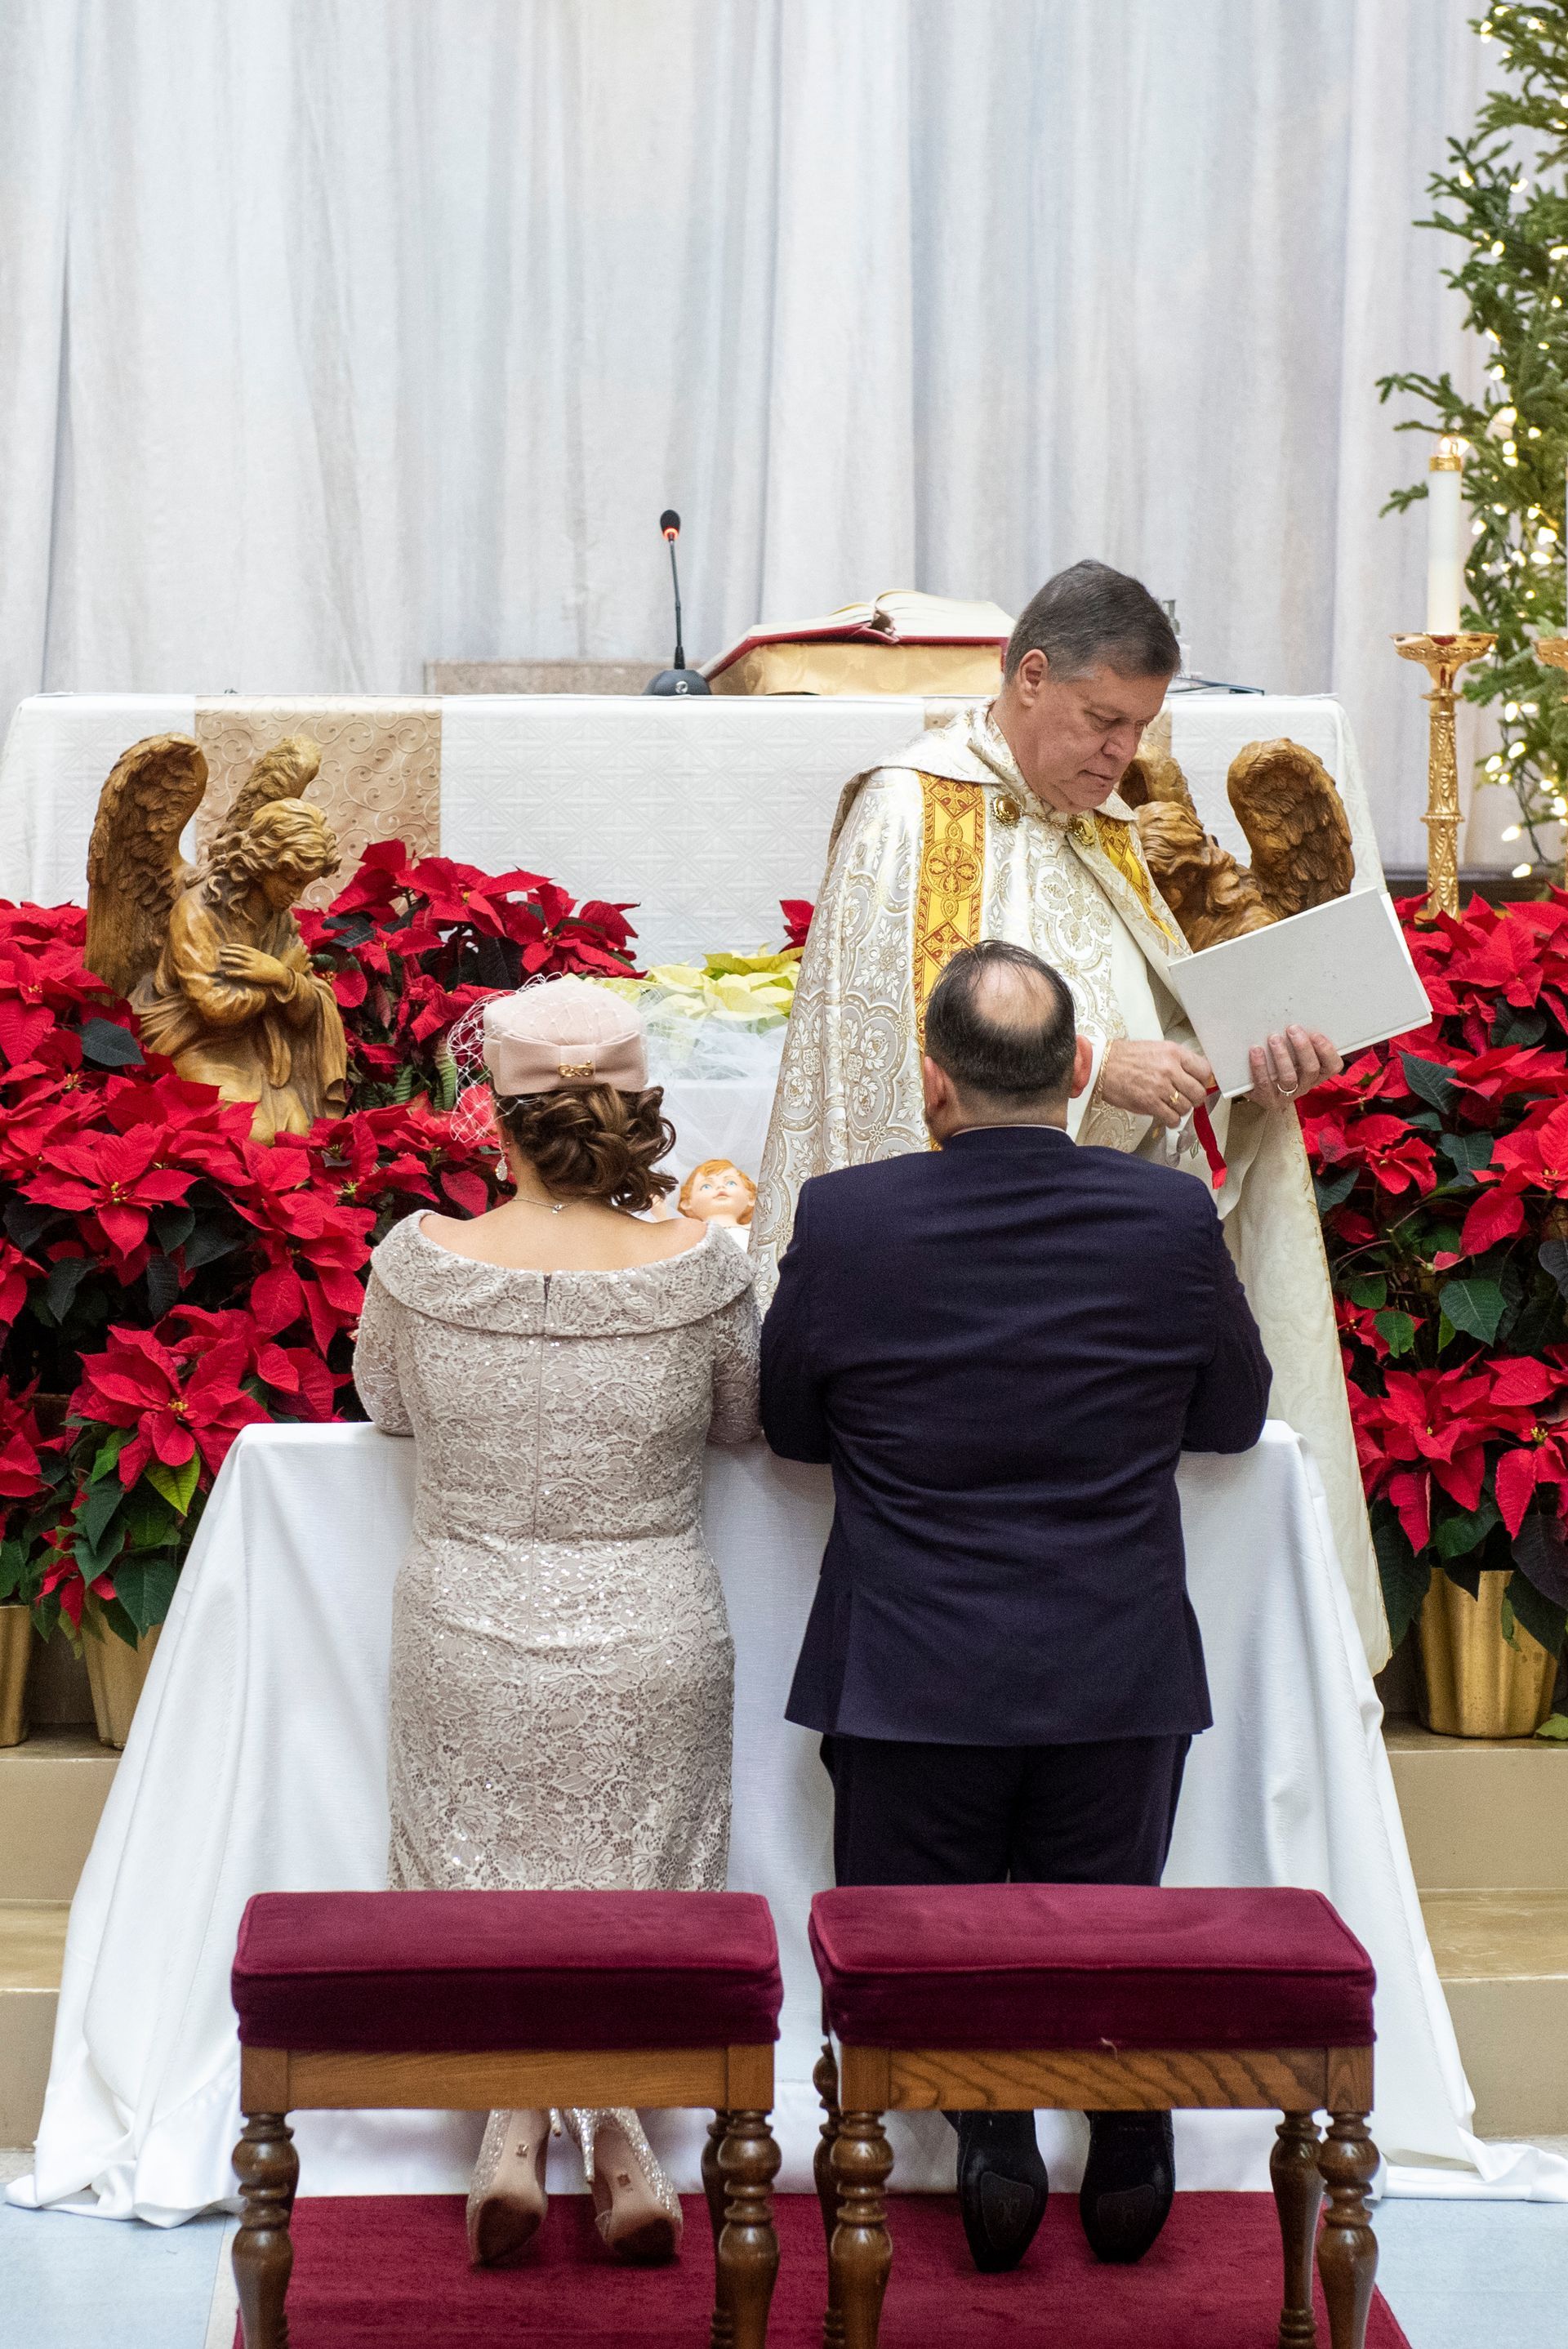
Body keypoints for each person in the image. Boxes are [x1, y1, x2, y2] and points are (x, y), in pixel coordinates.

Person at [748, 559, 1388, 1672]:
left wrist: (1246, 1069)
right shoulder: (916, 811)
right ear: (1030, 676)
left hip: (1101, 1305)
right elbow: (888, 1049)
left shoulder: (1101, 827)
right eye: (1102, 721)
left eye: (1139, 727)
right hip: (961, 1313)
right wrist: (1097, 1069)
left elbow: (1172, 1034)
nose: (1121, 754)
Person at [760, 940, 1270, 2275]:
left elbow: (790, 1427)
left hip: (912, 1664)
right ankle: (1131, 2131)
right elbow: (1230, 1414)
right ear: (1070, 1080)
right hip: (1114, 1656)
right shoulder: (1163, 1219)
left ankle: (991, 2140)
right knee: (1104, 1918)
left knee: (923, 1942)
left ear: (934, 1084)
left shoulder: (850, 1218)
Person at [353, 974, 760, 2268]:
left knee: (487, 1890)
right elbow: (743, 1424)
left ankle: (513, 2128)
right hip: (649, 1622)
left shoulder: (418, 1264)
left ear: (498, 1119)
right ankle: (624, 2147)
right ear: (643, 1113)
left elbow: (388, 1410)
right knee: (633, 1892)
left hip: (467, 1619)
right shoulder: (702, 1270)